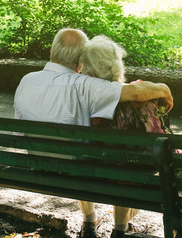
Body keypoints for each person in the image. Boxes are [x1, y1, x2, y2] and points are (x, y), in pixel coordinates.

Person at [13, 28, 173, 238]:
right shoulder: (85, 85)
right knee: (111, 157)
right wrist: (164, 89)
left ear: (52, 49)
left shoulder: (27, 80)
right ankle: (120, 227)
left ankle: (90, 221)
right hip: (77, 170)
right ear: (81, 60)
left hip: (39, 165)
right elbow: (136, 92)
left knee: (83, 151)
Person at [80, 35, 173, 238]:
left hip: (90, 175)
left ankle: (89, 222)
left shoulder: (82, 99)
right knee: (127, 167)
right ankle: (120, 229)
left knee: (111, 163)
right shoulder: (147, 96)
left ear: (89, 69)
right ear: (117, 64)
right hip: (138, 178)